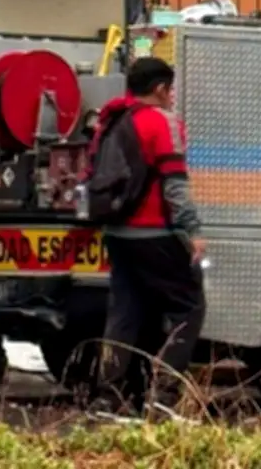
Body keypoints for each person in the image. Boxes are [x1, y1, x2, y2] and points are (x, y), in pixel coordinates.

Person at [87, 57, 205, 419]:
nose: (173, 97)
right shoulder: (162, 122)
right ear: (159, 89)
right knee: (189, 307)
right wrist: (193, 231)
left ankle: (108, 399)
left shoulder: (110, 122)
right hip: (154, 232)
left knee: (125, 311)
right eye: (170, 89)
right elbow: (174, 184)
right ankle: (164, 398)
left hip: (117, 233)